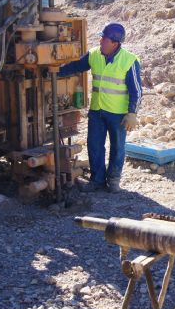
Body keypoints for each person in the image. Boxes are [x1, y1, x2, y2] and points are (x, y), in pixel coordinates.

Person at [58, 22, 142, 193]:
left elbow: (137, 90)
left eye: (104, 38)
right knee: (94, 145)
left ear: (115, 43)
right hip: (97, 111)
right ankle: (97, 180)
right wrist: (54, 71)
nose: (101, 40)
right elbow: (75, 66)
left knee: (117, 147)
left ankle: (113, 180)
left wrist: (132, 113)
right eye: (101, 37)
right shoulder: (94, 54)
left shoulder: (129, 60)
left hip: (118, 114)